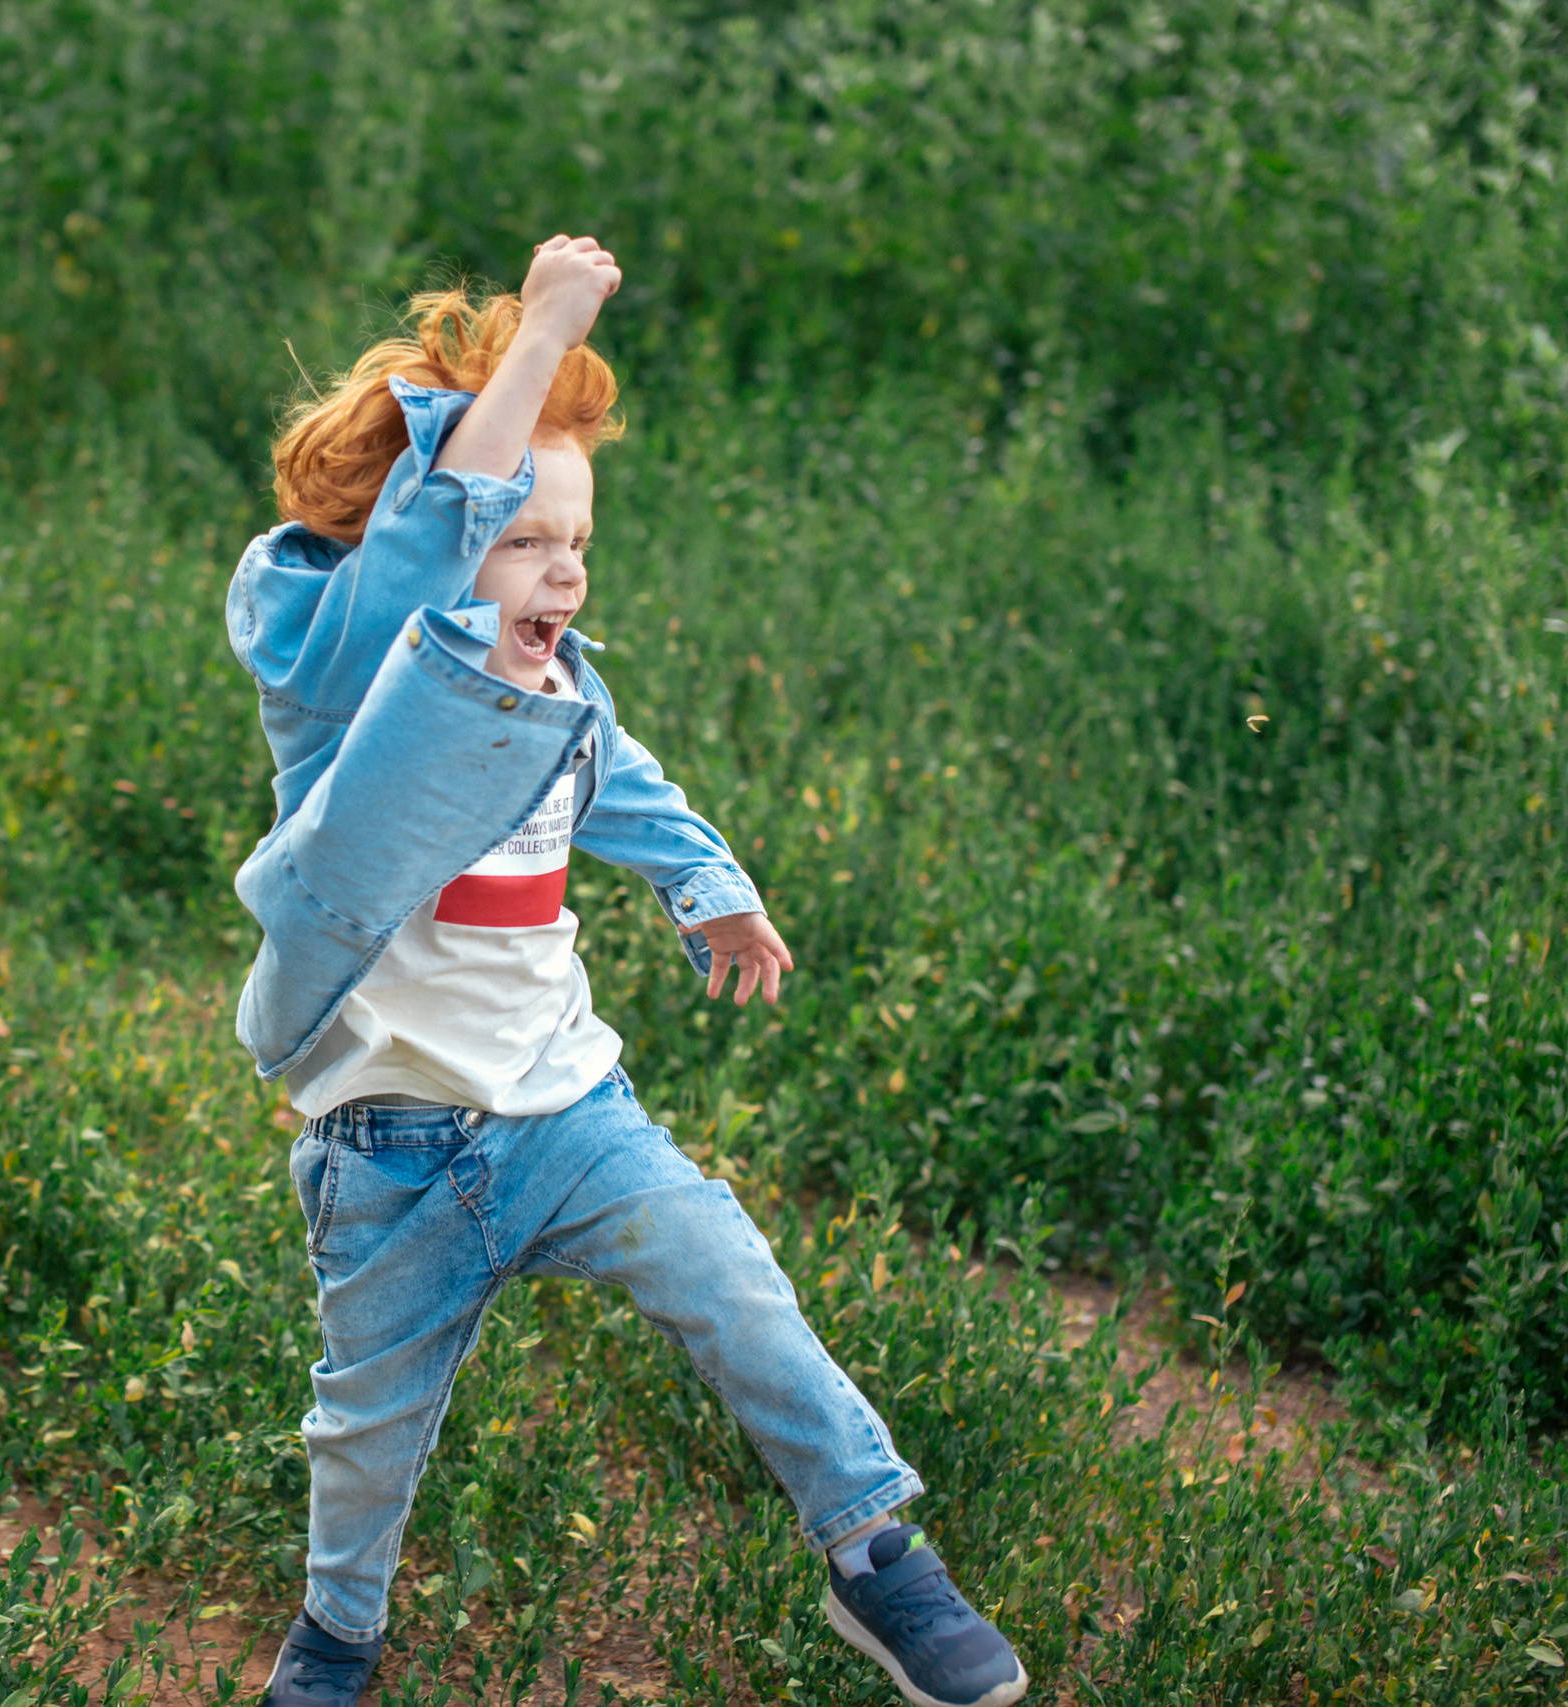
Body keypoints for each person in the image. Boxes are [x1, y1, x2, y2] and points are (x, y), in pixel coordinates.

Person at [222, 234, 1028, 1707]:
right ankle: (337, 1636)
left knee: (739, 1287)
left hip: (569, 1114)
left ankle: (876, 1551)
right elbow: (418, 558)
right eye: (525, 539)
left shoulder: (561, 688)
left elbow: (620, 772)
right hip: (387, 1148)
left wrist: (707, 884)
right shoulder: (339, 676)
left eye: (576, 539)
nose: (565, 570)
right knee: (367, 1428)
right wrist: (538, 335)